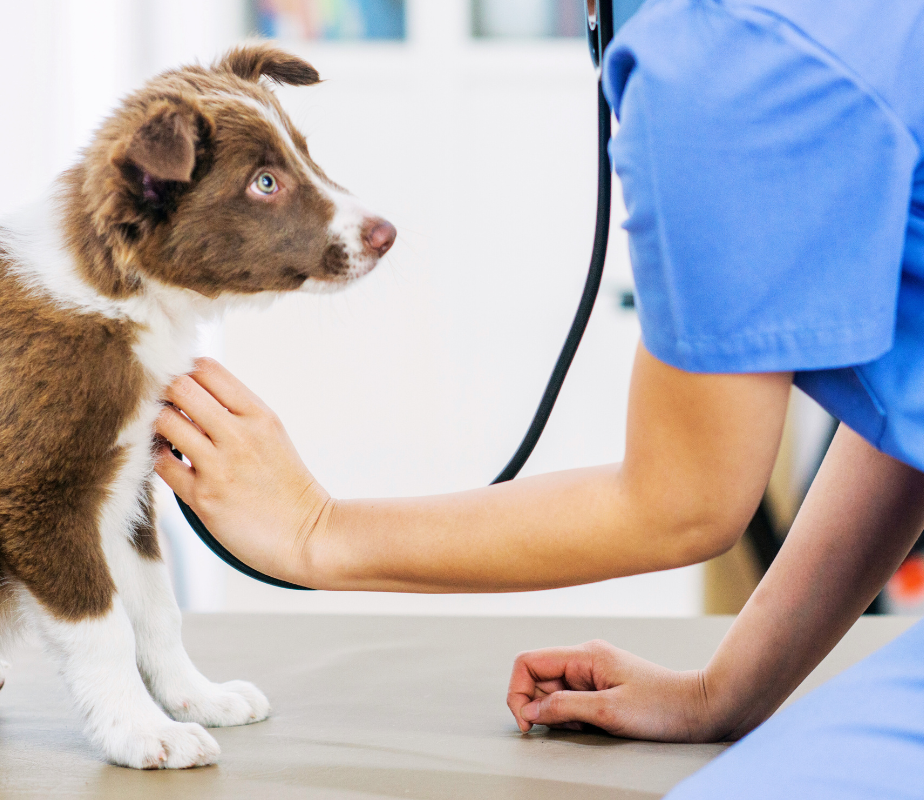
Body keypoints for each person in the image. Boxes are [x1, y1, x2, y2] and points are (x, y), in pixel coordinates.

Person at [154, 0, 924, 795]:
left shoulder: (723, 51)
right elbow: (907, 417)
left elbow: (684, 502)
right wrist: (725, 692)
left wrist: (315, 532)